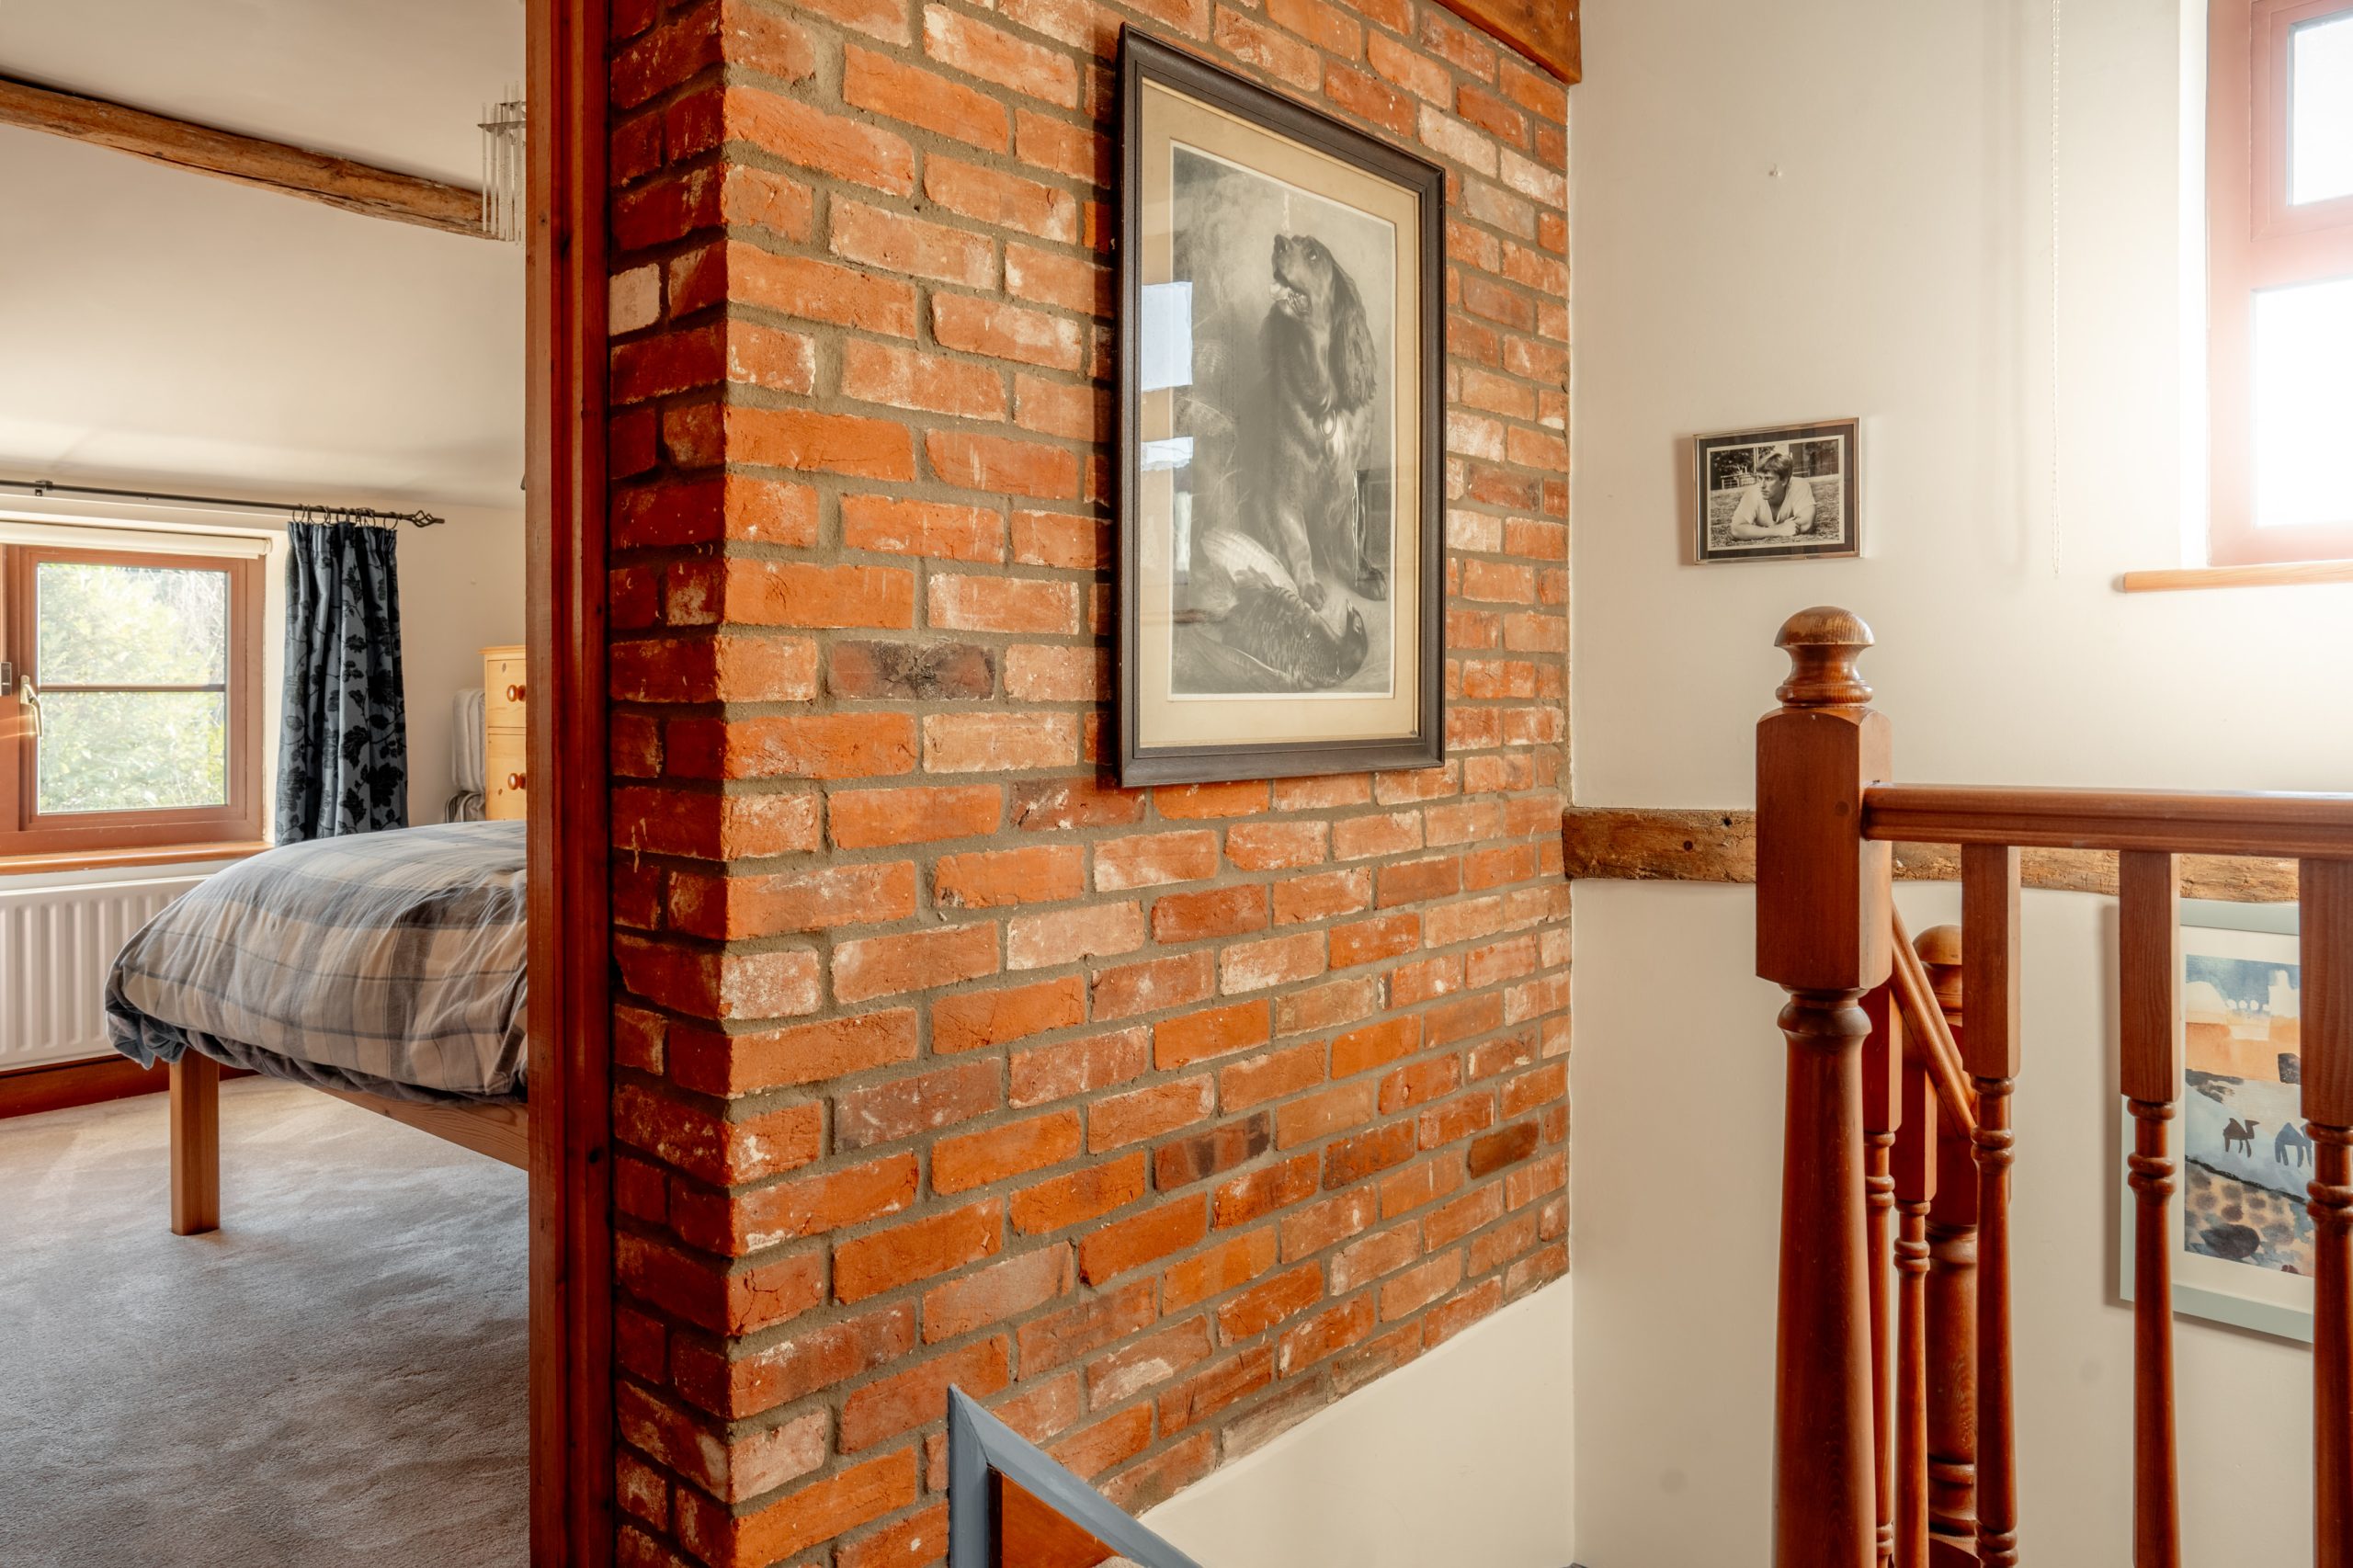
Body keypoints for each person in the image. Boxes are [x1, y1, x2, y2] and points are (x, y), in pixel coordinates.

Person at [1725, 447, 1814, 539]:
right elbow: (1736, 529)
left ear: (1784, 480)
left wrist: (1754, 531)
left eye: (1768, 478)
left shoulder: (1799, 485)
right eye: (1760, 478)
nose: (1762, 485)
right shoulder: (1753, 493)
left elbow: (1806, 524)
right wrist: (1778, 530)